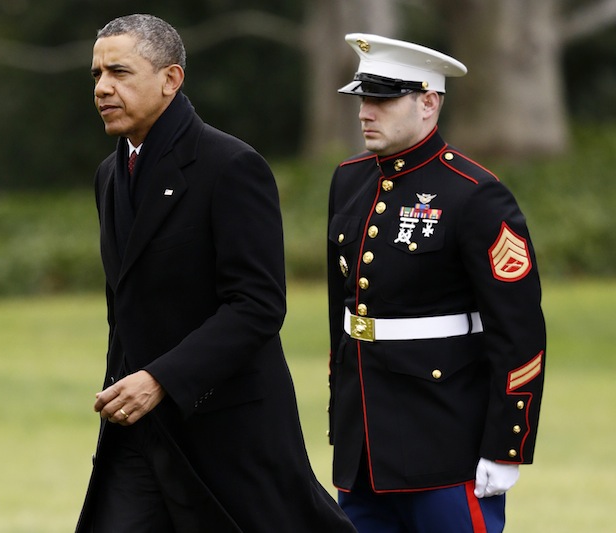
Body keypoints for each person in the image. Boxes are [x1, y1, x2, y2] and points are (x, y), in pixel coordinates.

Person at [75, 14, 357, 533]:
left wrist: (162, 379)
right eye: (96, 75)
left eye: (119, 72)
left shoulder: (231, 166)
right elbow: (127, 305)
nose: (102, 88)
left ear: (171, 79)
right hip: (139, 432)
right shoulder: (110, 175)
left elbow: (259, 305)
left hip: (227, 426)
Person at [326, 33, 547, 532]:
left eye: (381, 98)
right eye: (362, 97)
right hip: (365, 448)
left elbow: (519, 332)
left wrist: (506, 444)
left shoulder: (475, 195)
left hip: (446, 443)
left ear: (428, 102)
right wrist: (343, 417)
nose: (365, 112)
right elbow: (343, 312)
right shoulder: (349, 179)